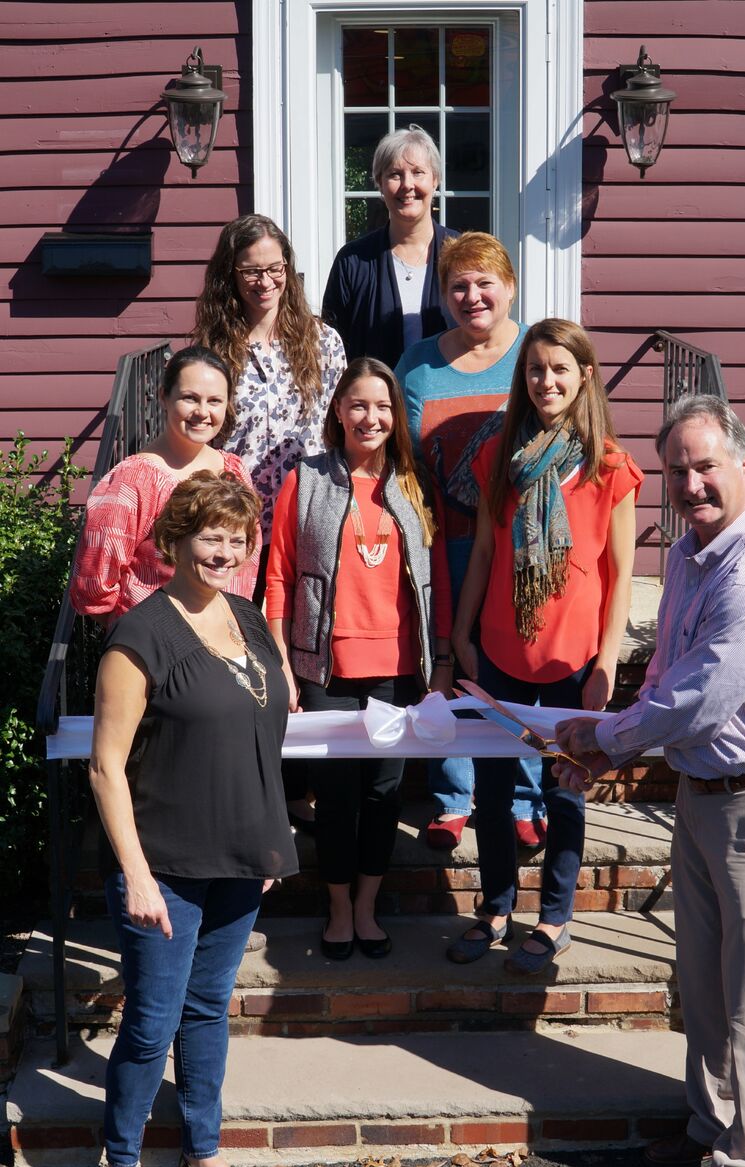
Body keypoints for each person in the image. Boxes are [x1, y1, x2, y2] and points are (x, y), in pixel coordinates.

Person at [555, 394, 745, 1167]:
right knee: (704, 983)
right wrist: (617, 737)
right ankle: (710, 1126)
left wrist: (607, 740)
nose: (690, 484)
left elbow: (702, 698)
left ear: (744, 463)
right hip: (702, 791)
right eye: (675, 470)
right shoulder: (687, 553)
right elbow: (668, 673)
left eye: (705, 465)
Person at [89, 472, 297, 1167]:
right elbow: (105, 766)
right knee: (151, 1022)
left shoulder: (247, 618)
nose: (225, 552)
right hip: (165, 866)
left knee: (208, 1011)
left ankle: (202, 1151)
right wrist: (136, 875)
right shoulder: (140, 635)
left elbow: (260, 738)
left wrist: (268, 840)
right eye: (211, 536)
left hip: (239, 858)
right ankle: (120, 1163)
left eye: (238, 540)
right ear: (175, 541)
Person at [447, 319, 642, 971]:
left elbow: (620, 577)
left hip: (573, 660)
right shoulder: (500, 458)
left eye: (559, 368)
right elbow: (482, 552)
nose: (546, 380)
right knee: (493, 789)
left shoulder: (610, 468)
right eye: (535, 368)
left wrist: (606, 663)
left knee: (564, 792)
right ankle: (495, 906)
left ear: (584, 375)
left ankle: (555, 917)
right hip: (500, 652)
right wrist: (461, 635)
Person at [265, 358, 453, 960]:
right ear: (339, 411)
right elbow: (279, 576)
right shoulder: (306, 479)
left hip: (398, 672)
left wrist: (442, 662)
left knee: (383, 796)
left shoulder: (415, 483)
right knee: (336, 798)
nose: (371, 418)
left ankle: (367, 906)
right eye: (359, 405)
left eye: (383, 406)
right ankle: (339, 907)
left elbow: (438, 581)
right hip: (326, 670)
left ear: (396, 415)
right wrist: (282, 663)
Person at [194, 213, 346, 831]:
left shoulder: (323, 341)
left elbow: (336, 429)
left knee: (301, 654)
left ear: (290, 270)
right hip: (236, 525)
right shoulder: (216, 348)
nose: (264, 281)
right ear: (230, 274)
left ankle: (297, 786)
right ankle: (246, 785)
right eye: (251, 270)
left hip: (307, 519)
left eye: (274, 268)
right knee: (240, 655)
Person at [395, 231, 543, 852]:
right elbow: (401, 456)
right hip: (444, 541)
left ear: (510, 287)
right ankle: (452, 797)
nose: (473, 295)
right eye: (458, 285)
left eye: (486, 283)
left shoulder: (536, 352)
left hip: (521, 545)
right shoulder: (417, 365)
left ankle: (525, 797)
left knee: (519, 663)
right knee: (448, 665)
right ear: (443, 295)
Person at [70, 346, 259, 627]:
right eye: (189, 398)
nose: (202, 412)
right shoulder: (134, 479)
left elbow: (248, 558)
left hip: (224, 632)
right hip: (155, 639)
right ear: (164, 397)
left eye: (214, 401)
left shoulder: (234, 471)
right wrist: (132, 635)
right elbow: (96, 579)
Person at [322, 125, 455, 369]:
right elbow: (332, 348)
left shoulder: (461, 254)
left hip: (450, 391)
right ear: (380, 184)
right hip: (374, 393)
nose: (407, 185)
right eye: (395, 174)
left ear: (435, 180)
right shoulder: (353, 261)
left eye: (418, 173)